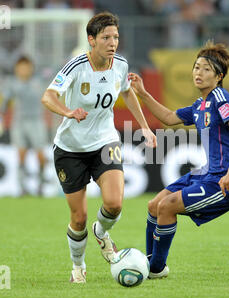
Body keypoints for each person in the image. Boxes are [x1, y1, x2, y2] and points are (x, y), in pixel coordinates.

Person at [41, 12, 157, 283]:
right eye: (106, 37)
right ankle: (78, 267)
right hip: (70, 149)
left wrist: (145, 127)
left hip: (105, 141)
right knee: (78, 218)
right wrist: (68, 112)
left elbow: (126, 91)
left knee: (114, 204)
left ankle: (102, 232)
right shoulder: (76, 67)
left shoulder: (121, 64)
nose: (112, 42)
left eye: (115, 37)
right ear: (91, 40)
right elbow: (48, 96)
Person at [129, 41, 229, 278]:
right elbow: (168, 117)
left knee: (167, 207)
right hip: (207, 173)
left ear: (219, 76)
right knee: (154, 205)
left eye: (206, 69)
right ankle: (151, 262)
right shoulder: (200, 104)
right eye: (196, 67)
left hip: (226, 181)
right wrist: (143, 93)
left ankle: (154, 269)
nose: (199, 73)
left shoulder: (221, 99)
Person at [0, 56, 48, 196]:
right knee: (21, 155)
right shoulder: (12, 83)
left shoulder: (38, 82)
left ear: (31, 68)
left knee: (40, 155)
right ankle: (22, 188)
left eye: (26, 67)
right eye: (21, 67)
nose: (23, 70)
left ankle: (40, 185)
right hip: (19, 123)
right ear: (16, 69)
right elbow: (5, 103)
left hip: (36, 122)